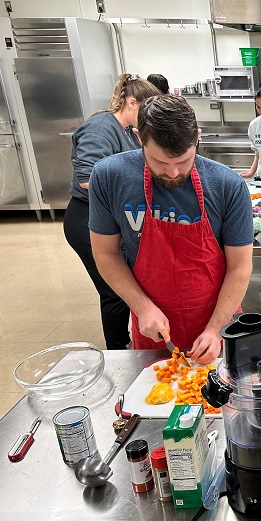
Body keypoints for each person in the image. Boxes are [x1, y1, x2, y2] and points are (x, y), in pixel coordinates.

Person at [88, 95, 254, 364]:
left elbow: (240, 267)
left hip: (218, 325)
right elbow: (105, 254)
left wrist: (215, 329)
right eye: (161, 163)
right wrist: (142, 308)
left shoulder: (228, 186)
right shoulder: (109, 177)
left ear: (197, 138)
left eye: (184, 160)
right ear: (139, 138)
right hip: (152, 328)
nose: (174, 172)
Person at [63, 73, 160, 350]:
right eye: (145, 108)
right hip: (86, 217)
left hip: (114, 217)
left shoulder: (128, 131)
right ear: (131, 103)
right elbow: (86, 178)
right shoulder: (100, 128)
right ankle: (118, 352)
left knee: (127, 283)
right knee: (115, 290)